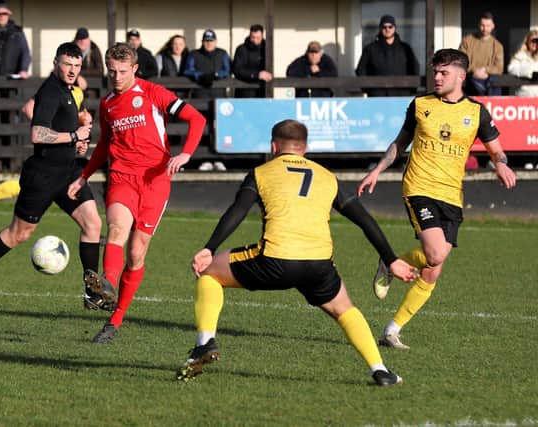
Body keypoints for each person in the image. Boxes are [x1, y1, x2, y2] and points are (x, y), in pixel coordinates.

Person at [175, 119, 418, 386]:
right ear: (305, 148)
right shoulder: (327, 177)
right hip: (319, 266)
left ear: (273, 146)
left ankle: (204, 342)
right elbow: (364, 220)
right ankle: (380, 369)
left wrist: (209, 248)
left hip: (274, 260)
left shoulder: (261, 172)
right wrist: (391, 259)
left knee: (209, 272)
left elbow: (237, 211)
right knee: (344, 309)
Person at [356, 49, 516, 350]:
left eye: (443, 73)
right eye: (435, 72)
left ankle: (392, 330)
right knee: (435, 255)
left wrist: (502, 163)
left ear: (460, 76)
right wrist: (377, 170)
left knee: (433, 269)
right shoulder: (420, 104)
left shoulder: (477, 112)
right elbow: (399, 144)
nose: (437, 77)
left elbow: (496, 150)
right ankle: (393, 262)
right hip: (419, 188)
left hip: (451, 195)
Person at [0, 42, 116, 313]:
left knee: (92, 224)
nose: (72, 70)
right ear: (56, 63)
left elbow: (67, 127)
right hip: (42, 176)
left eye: (77, 66)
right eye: (67, 64)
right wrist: (73, 136)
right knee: (18, 234)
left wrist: (78, 140)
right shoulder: (50, 92)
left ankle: (92, 291)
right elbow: (38, 134)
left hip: (69, 172)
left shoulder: (69, 90)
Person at [67, 43, 206, 344]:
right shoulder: (107, 104)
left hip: (156, 181)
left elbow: (197, 119)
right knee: (116, 228)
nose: (115, 77)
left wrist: (186, 154)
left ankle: (115, 320)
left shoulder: (154, 93)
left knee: (137, 252)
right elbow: (105, 145)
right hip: (121, 177)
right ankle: (106, 285)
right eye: (111, 72)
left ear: (134, 69)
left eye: (121, 72)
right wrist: (84, 176)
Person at [0, 86, 89, 219]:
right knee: (31, 188)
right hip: (50, 154)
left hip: (62, 156)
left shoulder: (75, 97)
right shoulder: (57, 91)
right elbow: (28, 109)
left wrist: (76, 143)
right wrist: (49, 132)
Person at [355, 14, 419, 97]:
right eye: (384, 27)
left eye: (390, 27)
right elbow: (361, 70)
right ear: (380, 28)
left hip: (401, 95)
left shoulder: (405, 48)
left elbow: (414, 67)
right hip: (378, 96)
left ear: (395, 28)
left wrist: (412, 89)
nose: (387, 29)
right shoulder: (370, 49)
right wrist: (368, 90)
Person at [459, 12, 504, 96]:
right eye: (482, 25)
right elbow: (461, 62)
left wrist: (484, 70)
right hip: (469, 82)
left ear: (493, 26)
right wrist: (474, 71)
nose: (485, 28)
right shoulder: (467, 41)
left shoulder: (497, 46)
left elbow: (499, 68)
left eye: (488, 26)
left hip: (489, 84)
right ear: (478, 24)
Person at [183, 29, 231, 98]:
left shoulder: (222, 53)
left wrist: (216, 75)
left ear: (215, 42)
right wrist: (200, 75)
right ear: (202, 42)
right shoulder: (194, 54)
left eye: (211, 40)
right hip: (199, 92)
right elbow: (187, 70)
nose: (209, 43)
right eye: (206, 41)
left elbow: (227, 71)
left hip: (218, 92)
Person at [232, 24, 272, 98]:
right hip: (244, 92)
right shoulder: (242, 49)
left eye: (258, 38)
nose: (255, 40)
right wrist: (256, 75)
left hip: (262, 92)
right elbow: (237, 70)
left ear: (262, 36)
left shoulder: (266, 49)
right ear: (250, 35)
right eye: (253, 37)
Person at [507, 29, 538, 97]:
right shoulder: (520, 55)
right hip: (524, 94)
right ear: (527, 42)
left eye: (536, 41)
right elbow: (511, 69)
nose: (534, 44)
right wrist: (527, 71)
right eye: (532, 41)